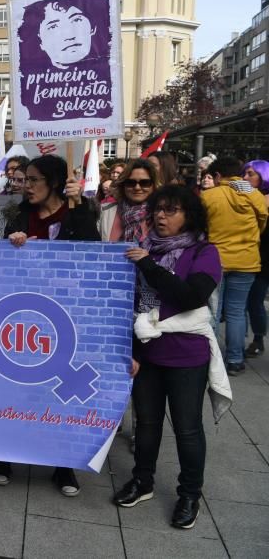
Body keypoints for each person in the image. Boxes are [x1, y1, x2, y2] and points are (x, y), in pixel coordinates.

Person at [113, 185, 226, 531]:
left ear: (188, 215)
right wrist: (130, 349)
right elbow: (130, 303)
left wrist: (149, 266)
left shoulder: (204, 252)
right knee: (146, 424)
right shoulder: (143, 248)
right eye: (158, 210)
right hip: (147, 353)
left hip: (185, 356)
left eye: (171, 210)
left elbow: (192, 296)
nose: (161, 216)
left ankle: (189, 493)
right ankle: (142, 480)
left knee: (187, 428)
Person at [1, 154, 99, 496]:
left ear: (54, 183)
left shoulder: (78, 213)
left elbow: (92, 254)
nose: (25, 186)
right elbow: (4, 264)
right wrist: (12, 246)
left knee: (60, 393)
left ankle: (63, 465)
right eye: (23, 180)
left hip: (66, 316)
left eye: (33, 180)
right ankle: (4, 455)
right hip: (23, 316)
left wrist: (78, 206)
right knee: (14, 387)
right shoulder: (19, 216)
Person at [201, 157, 268, 375]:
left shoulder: (209, 196)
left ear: (218, 176)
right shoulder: (254, 194)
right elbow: (262, 221)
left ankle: (208, 358)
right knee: (237, 312)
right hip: (247, 259)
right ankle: (235, 360)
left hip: (215, 260)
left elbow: (201, 227)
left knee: (213, 310)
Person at [243, 160, 269, 357]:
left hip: (263, 259)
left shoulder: (261, 200)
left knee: (255, 301)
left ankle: (258, 338)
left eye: (251, 174)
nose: (245, 178)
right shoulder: (248, 197)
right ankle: (257, 339)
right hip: (253, 256)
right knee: (253, 300)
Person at [100, 159, 159, 244]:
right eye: (131, 182)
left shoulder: (161, 213)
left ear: (154, 185)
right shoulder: (106, 210)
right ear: (123, 185)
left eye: (145, 183)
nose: (137, 188)